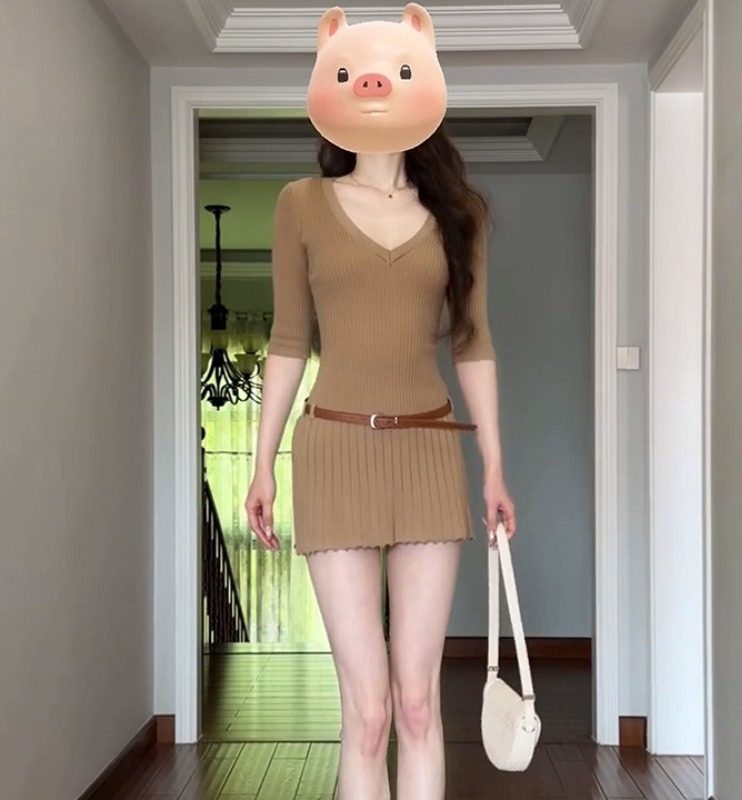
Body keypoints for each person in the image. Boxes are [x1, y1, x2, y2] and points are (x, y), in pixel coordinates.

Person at [244, 4, 516, 799]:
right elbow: (288, 341)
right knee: (367, 713)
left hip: (428, 452)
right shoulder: (301, 203)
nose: (374, 86)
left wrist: (494, 467)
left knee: (419, 703)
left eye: (397, 71)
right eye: (356, 73)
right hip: (333, 451)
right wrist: (261, 463)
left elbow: (474, 343)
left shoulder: (460, 216)